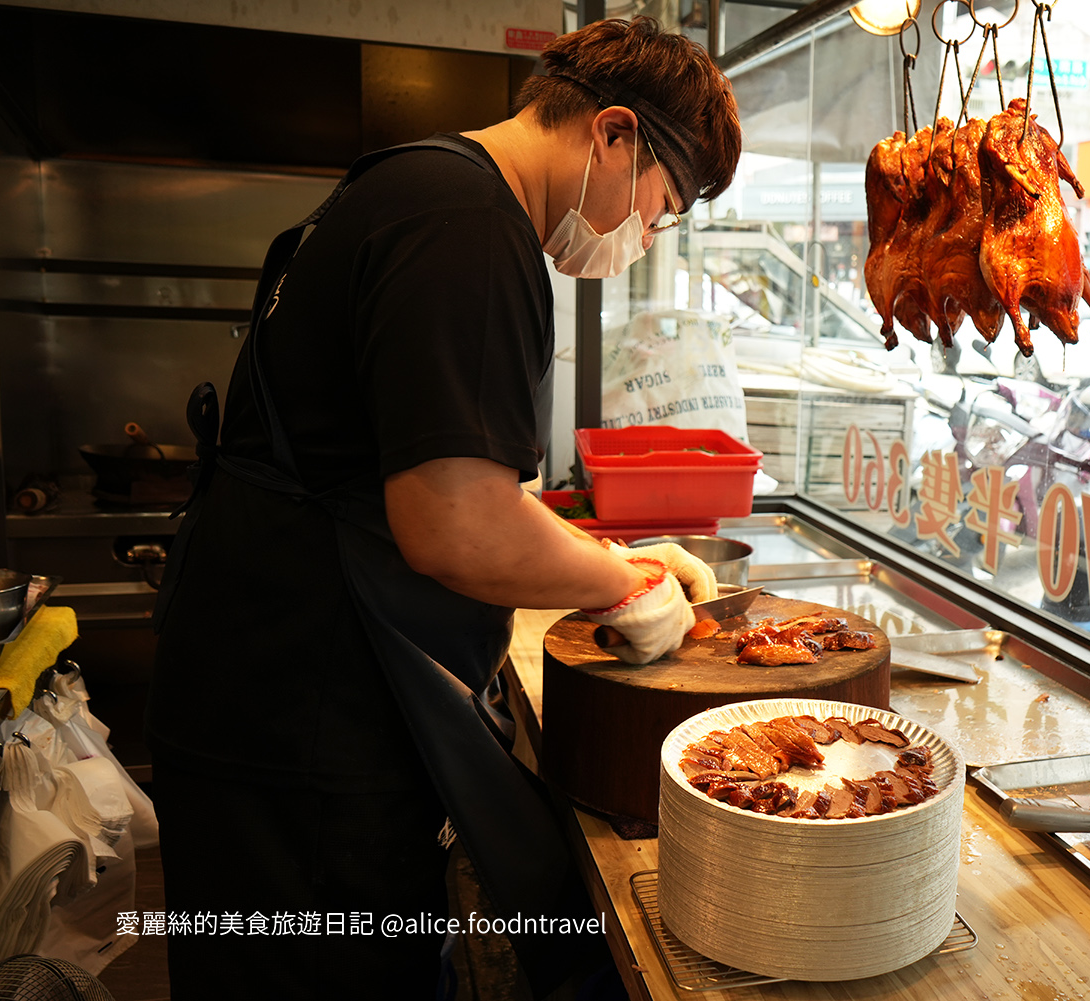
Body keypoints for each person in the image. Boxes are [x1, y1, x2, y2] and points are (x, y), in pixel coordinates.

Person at [145, 17, 740, 1000]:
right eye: (660, 206)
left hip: (263, 697)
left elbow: (433, 483)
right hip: (303, 729)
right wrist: (623, 580)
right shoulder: (468, 225)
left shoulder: (409, 184)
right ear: (614, 136)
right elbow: (454, 522)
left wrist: (592, 548)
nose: (643, 235)